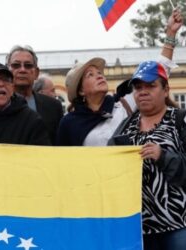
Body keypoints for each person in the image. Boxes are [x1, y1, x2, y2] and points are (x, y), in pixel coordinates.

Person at [56, 9, 182, 146]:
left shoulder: (123, 104)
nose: (99, 76)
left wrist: (170, 34)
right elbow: (63, 160)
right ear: (80, 91)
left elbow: (158, 71)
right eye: (90, 75)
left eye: (99, 73)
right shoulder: (69, 123)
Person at [108, 60, 186, 250]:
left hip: (178, 223)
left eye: (150, 86)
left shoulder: (180, 119)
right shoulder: (125, 127)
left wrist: (163, 156)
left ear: (166, 90)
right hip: (139, 228)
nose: (142, 92)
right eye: (138, 87)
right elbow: (109, 169)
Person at [6, 45, 63, 144]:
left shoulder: (53, 106)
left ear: (36, 73)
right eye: (16, 65)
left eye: (28, 65)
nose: (22, 70)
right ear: (7, 71)